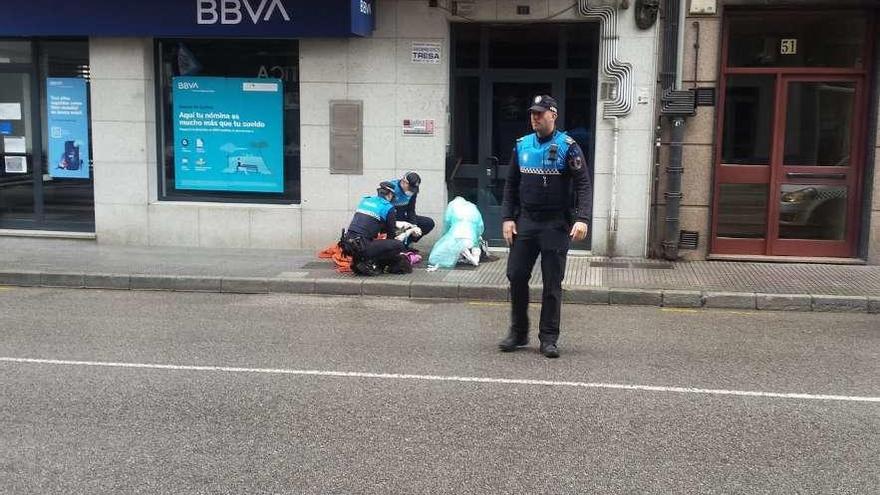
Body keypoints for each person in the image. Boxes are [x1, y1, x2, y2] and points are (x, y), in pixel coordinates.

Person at [498, 95, 592, 358]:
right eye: (532, 113)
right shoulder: (521, 145)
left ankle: (549, 338)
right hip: (526, 221)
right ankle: (518, 333)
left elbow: (583, 184)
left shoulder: (568, 146)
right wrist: (507, 218)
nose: (535, 117)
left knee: (552, 283)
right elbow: (510, 186)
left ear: (553, 115)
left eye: (540, 113)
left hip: (555, 223)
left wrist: (582, 218)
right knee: (516, 275)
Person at [341, 181, 411, 276]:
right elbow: (391, 235)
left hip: (348, 245)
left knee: (375, 243)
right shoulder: (388, 207)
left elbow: (368, 223)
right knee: (398, 245)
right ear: (390, 195)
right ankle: (369, 263)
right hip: (362, 247)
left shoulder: (365, 200)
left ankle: (359, 261)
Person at [386, 171, 435, 246]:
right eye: (410, 188)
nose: (411, 191)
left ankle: (406, 244)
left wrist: (414, 226)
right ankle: (397, 244)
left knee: (428, 223)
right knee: (397, 230)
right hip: (391, 219)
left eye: (413, 189)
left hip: (403, 217)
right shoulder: (392, 188)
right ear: (404, 182)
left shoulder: (413, 191)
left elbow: (411, 210)